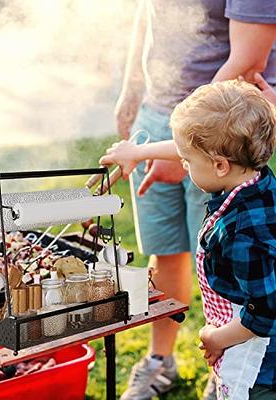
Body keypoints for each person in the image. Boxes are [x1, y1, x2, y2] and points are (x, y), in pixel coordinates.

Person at [114, 0, 276, 398]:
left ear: (217, 165)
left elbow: (266, 310)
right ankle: (167, 362)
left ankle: (221, 375)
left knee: (229, 269)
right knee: (171, 250)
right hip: (197, 128)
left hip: (254, 361)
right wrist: (135, 97)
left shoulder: (243, 230)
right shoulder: (251, 188)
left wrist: (218, 338)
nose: (183, 166)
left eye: (186, 162)